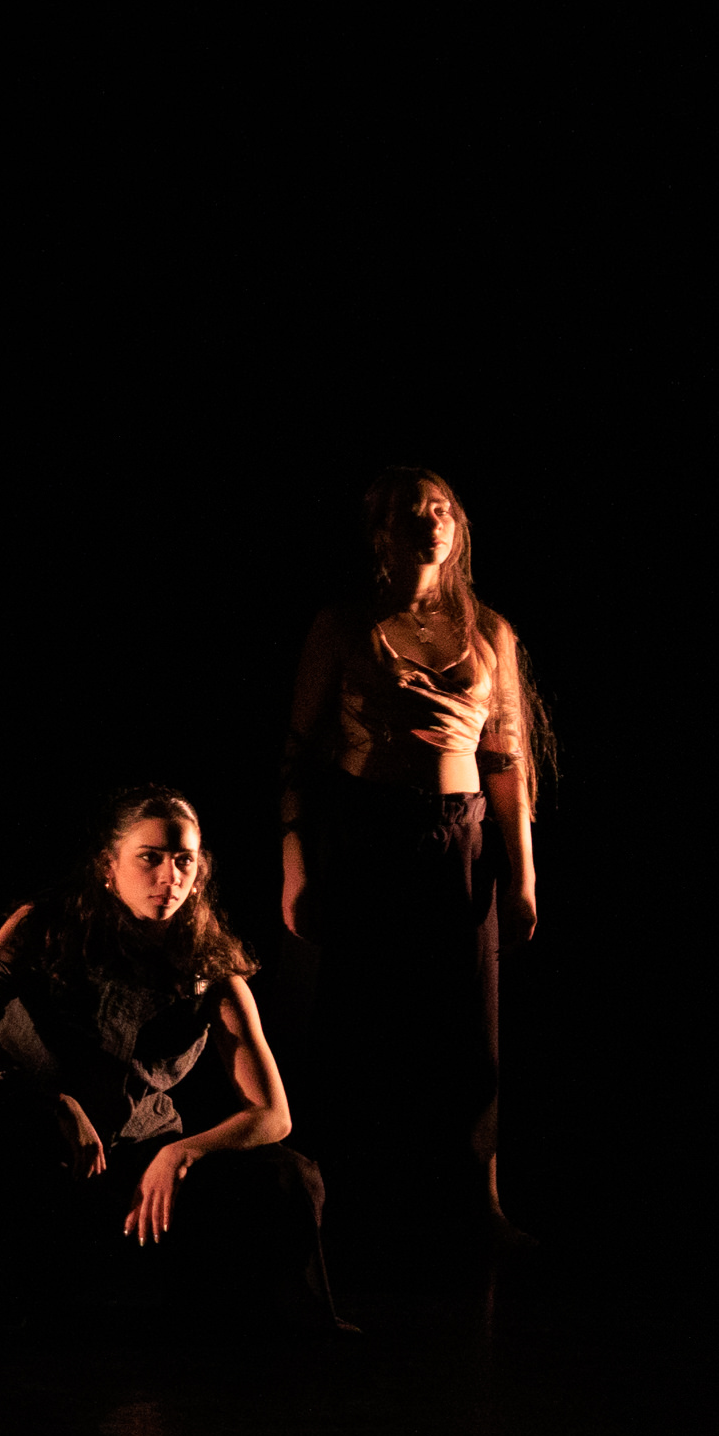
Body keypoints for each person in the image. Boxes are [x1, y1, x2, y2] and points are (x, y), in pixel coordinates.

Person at [0, 792, 337, 1342]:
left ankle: (288, 1328)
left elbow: (272, 1114)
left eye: (184, 860)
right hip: (39, 1144)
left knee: (288, 1171)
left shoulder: (212, 970)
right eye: (150, 857)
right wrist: (51, 1103)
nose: (169, 876)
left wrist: (182, 1152)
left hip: (136, 1164)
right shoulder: (44, 926)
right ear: (108, 866)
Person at [274, 465, 540, 1237]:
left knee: (470, 1027)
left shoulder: (489, 633)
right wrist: (296, 867)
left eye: (442, 510)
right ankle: (338, 1198)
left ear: (458, 529)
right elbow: (299, 756)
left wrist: (523, 875)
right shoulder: (343, 626)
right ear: (381, 532)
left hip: (461, 835)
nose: (431, 523)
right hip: (371, 832)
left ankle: (479, 1198)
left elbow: (507, 762)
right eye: (412, 513)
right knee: (360, 1015)